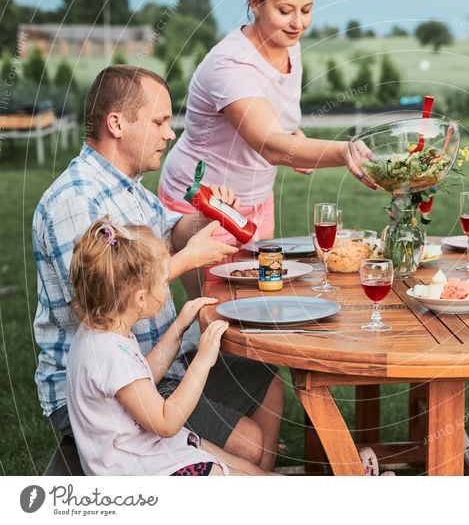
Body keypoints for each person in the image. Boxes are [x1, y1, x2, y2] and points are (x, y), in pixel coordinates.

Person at [32, 65, 284, 472]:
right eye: (160, 121)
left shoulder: (129, 187)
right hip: (106, 386)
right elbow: (104, 292)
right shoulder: (76, 201)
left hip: (155, 357)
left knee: (264, 378)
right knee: (248, 444)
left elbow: (171, 231)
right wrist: (188, 260)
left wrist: (207, 214)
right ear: (117, 123)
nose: (170, 133)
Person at [158, 0, 374, 297]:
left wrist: (299, 144)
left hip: (258, 199)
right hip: (205, 201)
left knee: (260, 300)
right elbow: (271, 145)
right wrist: (341, 152)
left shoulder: (290, 44)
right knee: (216, 311)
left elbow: (279, 125)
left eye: (306, 10)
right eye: (285, 10)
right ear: (255, 3)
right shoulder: (230, 66)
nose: (298, 23)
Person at [67, 219, 271, 476]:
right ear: (140, 299)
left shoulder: (100, 334)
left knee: (254, 474)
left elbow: (143, 377)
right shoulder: (110, 354)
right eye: (163, 282)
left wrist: (178, 328)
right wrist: (203, 360)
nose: (168, 287)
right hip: (139, 471)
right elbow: (165, 422)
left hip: (143, 453)